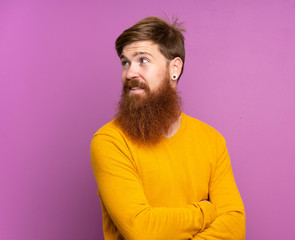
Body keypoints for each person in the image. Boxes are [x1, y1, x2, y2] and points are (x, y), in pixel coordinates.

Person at [90, 16, 245, 240]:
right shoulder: (110, 140)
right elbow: (141, 229)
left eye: (142, 60)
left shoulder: (212, 140)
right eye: (125, 62)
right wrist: (206, 211)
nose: (130, 73)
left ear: (175, 68)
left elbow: (235, 226)